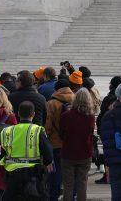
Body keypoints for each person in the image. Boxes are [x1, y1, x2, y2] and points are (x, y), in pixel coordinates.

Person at [1, 100, 54, 200]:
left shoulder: (7, 131)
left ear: (18, 114)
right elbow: (48, 155)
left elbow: (2, 153)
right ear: (33, 114)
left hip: (12, 176)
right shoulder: (37, 130)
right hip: (32, 177)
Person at [59, 87, 96, 201]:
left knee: (68, 185)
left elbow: (61, 134)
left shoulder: (65, 116)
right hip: (85, 153)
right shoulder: (91, 117)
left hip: (68, 153)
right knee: (82, 184)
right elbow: (91, 134)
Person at [44, 73, 75, 201]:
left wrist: (45, 140)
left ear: (56, 89)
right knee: (71, 171)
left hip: (56, 143)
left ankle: (54, 195)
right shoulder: (76, 100)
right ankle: (71, 195)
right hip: (72, 143)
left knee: (55, 171)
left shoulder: (51, 103)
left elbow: (48, 125)